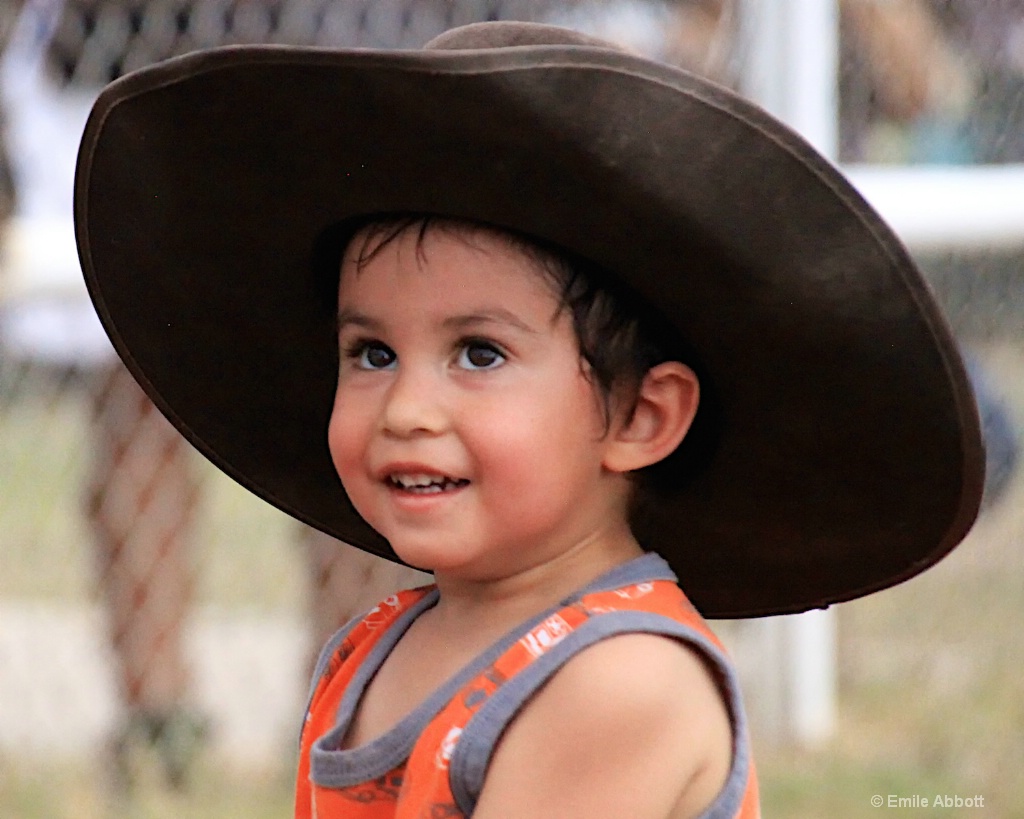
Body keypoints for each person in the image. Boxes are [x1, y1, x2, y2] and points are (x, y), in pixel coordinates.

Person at [73, 20, 985, 819]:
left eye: (479, 353)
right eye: (371, 353)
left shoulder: (617, 680)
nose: (407, 407)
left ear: (640, 415)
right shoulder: (374, 646)